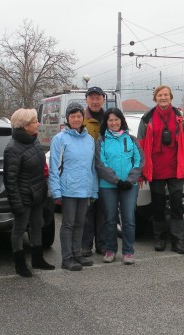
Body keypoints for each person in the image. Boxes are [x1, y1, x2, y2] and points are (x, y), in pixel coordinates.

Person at [137, 85, 184, 254]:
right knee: (158, 206)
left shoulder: (180, 116)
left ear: (171, 98)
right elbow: (141, 145)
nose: (163, 98)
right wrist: (140, 170)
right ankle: (159, 238)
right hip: (156, 169)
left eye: (166, 95)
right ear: (155, 98)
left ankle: (178, 240)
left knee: (176, 205)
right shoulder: (147, 118)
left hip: (175, 168)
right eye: (160, 95)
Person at [3, 108, 55, 277]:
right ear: (25, 125)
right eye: (34, 122)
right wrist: (16, 203)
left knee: (37, 226)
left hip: (38, 194)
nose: (38, 124)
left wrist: (44, 190)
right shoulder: (12, 148)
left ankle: (37, 259)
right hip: (23, 195)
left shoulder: (34, 141)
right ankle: (20, 264)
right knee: (19, 230)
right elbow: (10, 179)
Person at [49, 102, 98, 271]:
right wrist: (55, 191)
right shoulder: (60, 139)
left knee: (80, 224)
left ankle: (77, 254)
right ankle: (67, 258)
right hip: (68, 189)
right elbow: (54, 167)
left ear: (83, 118)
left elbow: (91, 168)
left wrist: (94, 190)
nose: (76, 119)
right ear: (67, 119)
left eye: (79, 116)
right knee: (68, 224)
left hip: (84, 189)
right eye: (72, 116)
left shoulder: (89, 140)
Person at [95, 108, 144, 265]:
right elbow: (101, 164)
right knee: (110, 219)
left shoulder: (131, 139)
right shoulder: (101, 140)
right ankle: (110, 250)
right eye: (110, 120)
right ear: (106, 123)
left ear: (121, 120)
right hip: (108, 186)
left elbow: (139, 161)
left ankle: (128, 252)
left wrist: (130, 180)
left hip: (130, 186)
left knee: (129, 219)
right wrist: (117, 181)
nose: (114, 122)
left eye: (116, 119)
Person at [81, 86, 107, 257]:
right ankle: (85, 246)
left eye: (98, 98)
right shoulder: (79, 119)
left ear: (103, 100)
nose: (95, 101)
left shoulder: (110, 118)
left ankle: (102, 245)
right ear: (87, 100)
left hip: (105, 172)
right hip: (87, 172)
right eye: (92, 98)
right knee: (87, 211)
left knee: (104, 210)